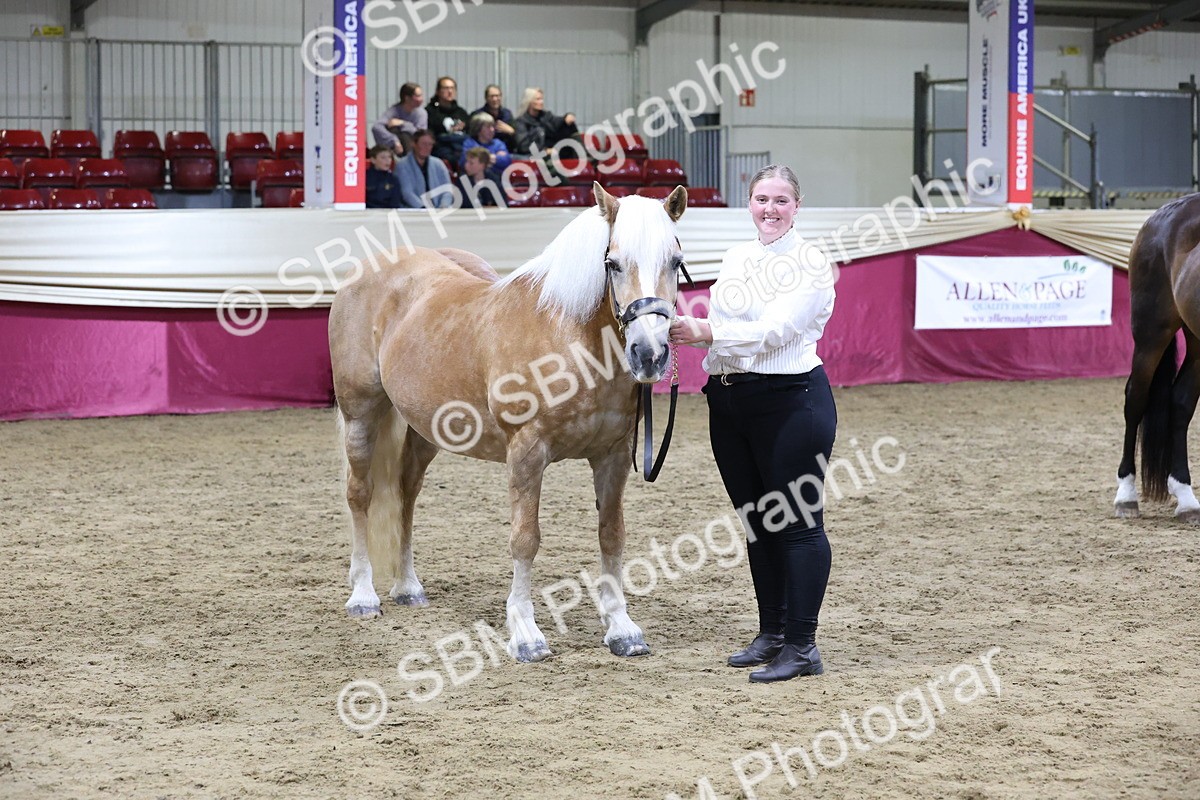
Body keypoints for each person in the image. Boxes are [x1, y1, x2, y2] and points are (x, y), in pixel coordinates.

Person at [669, 164, 837, 684]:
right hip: (731, 400)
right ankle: (773, 633)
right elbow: (734, 322)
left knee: (799, 525)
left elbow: (775, 330)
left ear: (797, 205)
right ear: (749, 204)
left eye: (780, 200)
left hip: (791, 401)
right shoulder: (738, 255)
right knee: (759, 523)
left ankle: (803, 645)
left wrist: (699, 331)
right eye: (761, 199)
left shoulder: (811, 262)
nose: (770, 209)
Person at [395, 129, 453, 210]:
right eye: (423, 144)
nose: (427, 147)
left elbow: (447, 189)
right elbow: (407, 193)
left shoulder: (439, 163)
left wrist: (444, 205)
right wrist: (424, 208)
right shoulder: (402, 165)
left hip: (438, 209)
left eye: (430, 144)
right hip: (414, 210)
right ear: (414, 144)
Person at [512, 87, 579, 155]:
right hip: (536, 154)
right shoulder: (521, 121)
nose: (541, 102)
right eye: (538, 99)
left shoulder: (546, 115)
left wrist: (567, 117)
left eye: (542, 99)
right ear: (529, 101)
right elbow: (524, 146)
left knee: (569, 125)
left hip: (552, 151)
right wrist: (545, 151)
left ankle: (581, 155)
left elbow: (556, 121)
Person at [371, 82, 427, 157]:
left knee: (405, 134)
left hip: (414, 148)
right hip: (395, 148)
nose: (421, 99)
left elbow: (420, 134)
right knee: (394, 129)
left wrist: (403, 123)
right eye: (418, 96)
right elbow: (377, 127)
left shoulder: (421, 113)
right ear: (407, 98)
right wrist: (394, 141)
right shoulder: (394, 110)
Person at [425, 75, 470, 162]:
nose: (450, 91)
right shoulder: (430, 112)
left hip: (462, 146)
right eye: (446, 88)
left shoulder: (461, 112)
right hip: (443, 149)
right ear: (438, 91)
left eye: (452, 88)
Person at [472, 84, 516, 150]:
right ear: (486, 98)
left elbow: (515, 135)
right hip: (484, 150)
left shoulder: (507, 114)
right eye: (492, 96)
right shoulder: (478, 115)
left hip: (507, 151)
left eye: (497, 96)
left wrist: (511, 131)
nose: (495, 99)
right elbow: (473, 136)